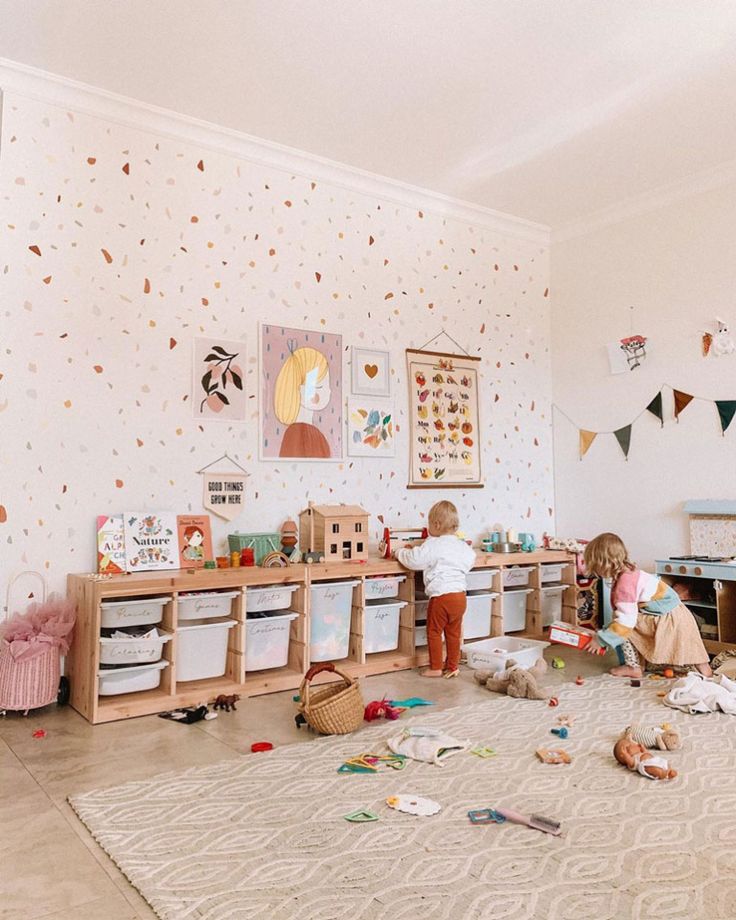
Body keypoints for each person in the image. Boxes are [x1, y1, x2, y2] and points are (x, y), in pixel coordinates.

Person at [583, 532, 712, 679]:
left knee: (622, 626)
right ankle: (706, 673)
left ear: (604, 563)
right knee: (695, 652)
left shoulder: (625, 584)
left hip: (669, 618)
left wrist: (601, 640)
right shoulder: (630, 571)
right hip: (676, 613)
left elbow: (625, 623)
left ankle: (633, 667)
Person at [396, 501, 476, 678]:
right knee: (453, 633)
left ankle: (436, 667)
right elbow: (471, 559)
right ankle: (453, 666)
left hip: (441, 597)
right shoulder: (462, 545)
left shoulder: (433, 544)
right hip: (460, 597)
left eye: (430, 525)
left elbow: (414, 560)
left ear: (437, 525)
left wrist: (399, 552)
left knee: (434, 631)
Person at [274, 344, 332, 458]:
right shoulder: (298, 434)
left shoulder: (311, 433)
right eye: (320, 387)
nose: (329, 391)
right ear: (299, 389)